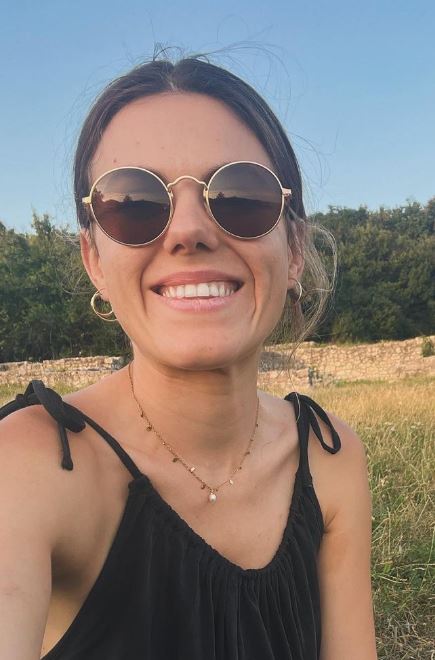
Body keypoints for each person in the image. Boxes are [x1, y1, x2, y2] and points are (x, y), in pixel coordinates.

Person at [0, 52, 377, 659]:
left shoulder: (330, 456)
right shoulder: (28, 466)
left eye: (241, 195)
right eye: (133, 204)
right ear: (95, 261)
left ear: (294, 250)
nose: (188, 231)